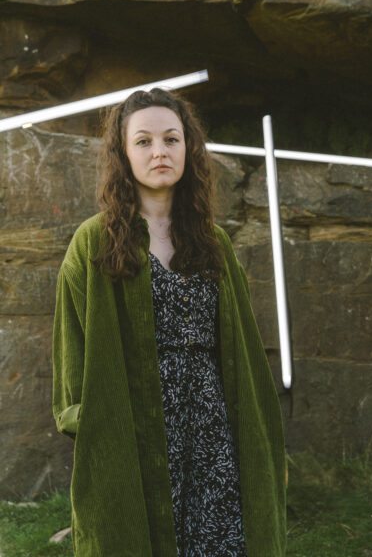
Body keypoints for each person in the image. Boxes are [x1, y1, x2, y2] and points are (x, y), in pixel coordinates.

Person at [52, 87, 286, 557]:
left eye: (171, 139)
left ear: (188, 148)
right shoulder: (94, 241)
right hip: (135, 427)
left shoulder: (212, 240)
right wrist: (93, 422)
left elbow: (240, 346)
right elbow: (71, 351)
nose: (159, 151)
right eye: (143, 141)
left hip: (212, 428)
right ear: (123, 153)